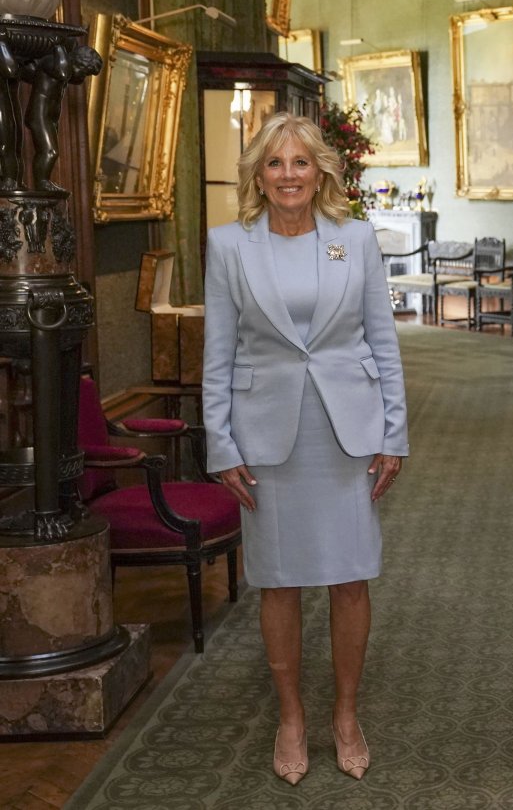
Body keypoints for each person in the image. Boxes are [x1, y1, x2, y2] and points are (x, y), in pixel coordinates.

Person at [202, 112, 408, 785]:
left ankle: (345, 714)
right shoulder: (229, 245)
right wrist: (221, 443)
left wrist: (393, 433)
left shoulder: (355, 239)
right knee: (279, 580)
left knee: (350, 576)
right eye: (274, 163)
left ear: (320, 169)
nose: (288, 175)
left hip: (347, 432)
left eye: (299, 162)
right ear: (257, 175)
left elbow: (383, 341)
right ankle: (291, 716)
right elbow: (219, 354)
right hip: (267, 437)